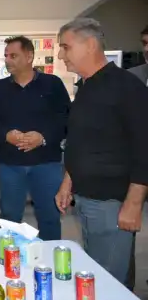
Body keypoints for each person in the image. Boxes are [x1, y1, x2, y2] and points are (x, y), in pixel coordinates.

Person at [54, 18, 148, 289]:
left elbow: (144, 147)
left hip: (112, 202)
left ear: (90, 45)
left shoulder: (126, 87)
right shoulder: (87, 86)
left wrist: (134, 203)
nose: (60, 55)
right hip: (87, 198)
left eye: (66, 47)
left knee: (110, 281)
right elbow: (81, 141)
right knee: (96, 270)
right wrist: (67, 182)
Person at [0, 35, 70, 241]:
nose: (7, 60)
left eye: (13, 56)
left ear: (29, 56)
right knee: (10, 218)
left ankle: (48, 255)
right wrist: (6, 135)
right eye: (6, 56)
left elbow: (66, 119)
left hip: (46, 163)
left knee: (49, 216)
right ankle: (8, 257)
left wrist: (43, 137)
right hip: (11, 164)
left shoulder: (52, 84)